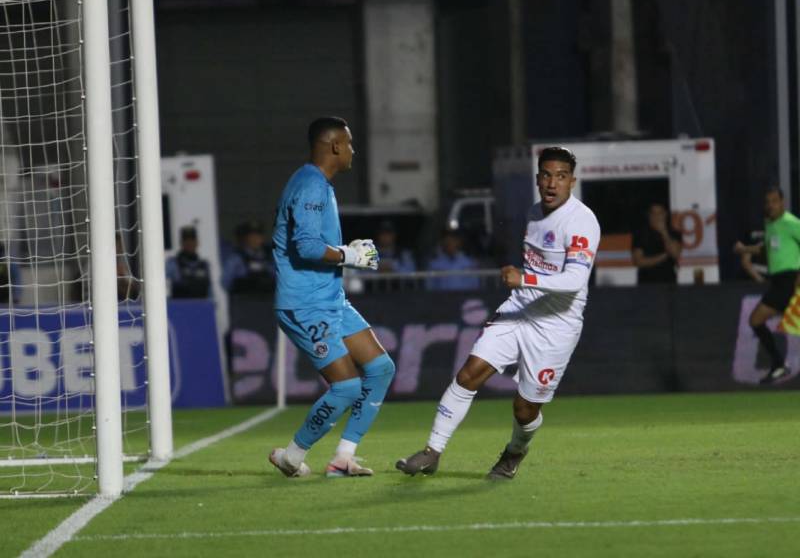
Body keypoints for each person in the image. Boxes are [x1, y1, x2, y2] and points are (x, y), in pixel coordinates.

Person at [396, 146, 600, 480]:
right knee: (469, 373)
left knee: (525, 409)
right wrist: (524, 279)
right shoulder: (534, 213)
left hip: (557, 325)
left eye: (561, 177)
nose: (552, 183)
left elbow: (576, 278)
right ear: (537, 178)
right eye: (546, 175)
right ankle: (432, 451)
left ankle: (515, 452)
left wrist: (524, 277)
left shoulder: (582, 222)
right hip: (520, 309)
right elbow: (540, 267)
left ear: (572, 182)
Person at [269, 116, 396, 478]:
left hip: (329, 298)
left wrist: (344, 252)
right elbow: (306, 246)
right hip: (305, 304)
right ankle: (291, 456)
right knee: (346, 387)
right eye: (350, 143)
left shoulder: (316, 183)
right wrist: (349, 255)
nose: (353, 150)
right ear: (336, 146)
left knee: (381, 368)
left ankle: (343, 457)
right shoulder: (310, 185)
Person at [733, 186, 799, 383]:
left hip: (789, 280)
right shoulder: (770, 224)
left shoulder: (791, 222)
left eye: (774, 201)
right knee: (756, 321)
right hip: (778, 281)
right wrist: (745, 249)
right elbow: (768, 248)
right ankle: (779, 365)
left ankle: (779, 365)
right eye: (767, 202)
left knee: (755, 320)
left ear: (782, 203)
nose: (770, 205)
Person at [631, 203, 683, 284]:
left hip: (669, 284)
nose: (656, 216)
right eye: (653, 213)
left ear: (665, 214)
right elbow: (638, 261)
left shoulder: (674, 233)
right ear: (649, 216)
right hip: (646, 285)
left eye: (660, 213)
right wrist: (664, 256)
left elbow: (676, 254)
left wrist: (664, 232)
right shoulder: (641, 234)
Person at [222, 220, 275, 294]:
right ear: (244, 239)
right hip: (244, 301)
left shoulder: (269, 257)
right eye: (251, 237)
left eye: (258, 236)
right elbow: (225, 282)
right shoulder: (236, 258)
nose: (256, 239)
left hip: (266, 301)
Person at [165, 226, 212, 299]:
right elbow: (161, 283)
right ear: (182, 243)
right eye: (186, 241)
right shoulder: (173, 263)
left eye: (192, 240)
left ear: (197, 242)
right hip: (180, 308)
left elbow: (210, 292)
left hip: (202, 308)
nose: (189, 243)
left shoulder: (204, 265)